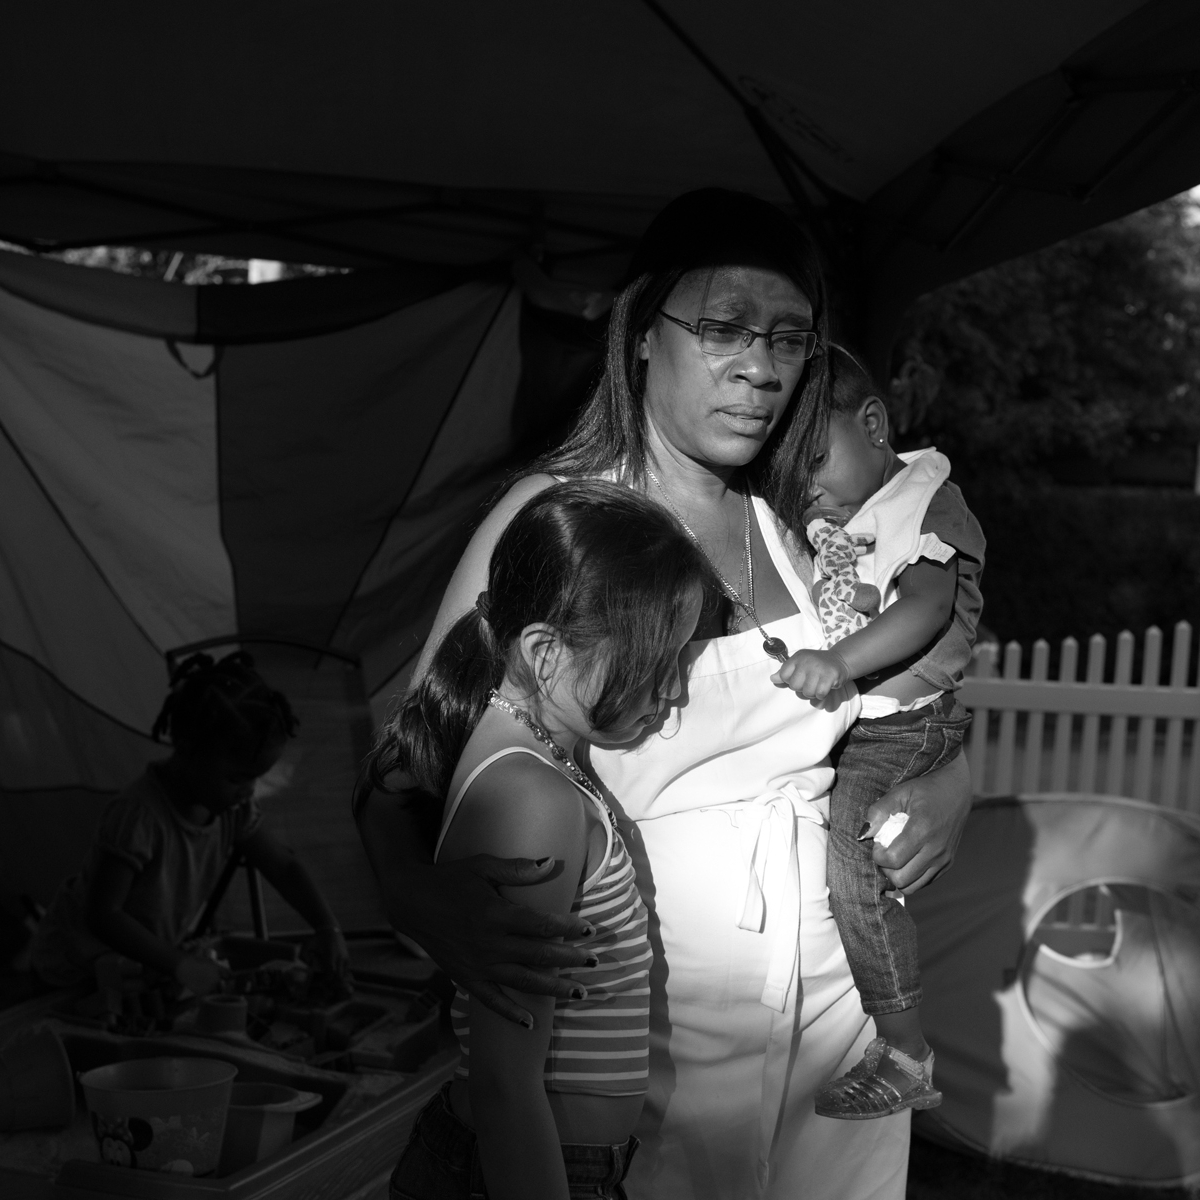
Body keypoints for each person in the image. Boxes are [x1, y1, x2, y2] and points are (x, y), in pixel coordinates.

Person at [356, 188, 973, 1200]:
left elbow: (910, 669)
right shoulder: (557, 518)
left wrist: (952, 767)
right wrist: (422, 900)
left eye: (788, 337)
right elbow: (403, 762)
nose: (761, 367)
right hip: (639, 1048)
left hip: (827, 1025)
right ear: (642, 333)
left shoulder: (797, 520)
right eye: (724, 326)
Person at [376, 481, 707, 1200]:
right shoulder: (531, 798)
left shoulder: (541, 764)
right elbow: (503, 1082)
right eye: (659, 660)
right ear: (545, 653)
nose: (676, 689)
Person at [769, 345, 985, 1119]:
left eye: (818, 458)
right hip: (867, 726)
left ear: (874, 422)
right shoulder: (842, 518)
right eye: (795, 470)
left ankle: (905, 1053)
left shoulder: (931, 501)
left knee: (856, 872)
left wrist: (837, 661)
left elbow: (925, 607)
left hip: (903, 730)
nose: (810, 484)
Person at [32, 652, 350, 995]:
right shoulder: (138, 817)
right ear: (186, 750)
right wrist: (181, 965)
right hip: (74, 966)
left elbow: (284, 866)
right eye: (237, 778)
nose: (248, 791)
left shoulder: (232, 810)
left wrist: (326, 926)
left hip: (135, 964)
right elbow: (104, 914)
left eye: (255, 778)